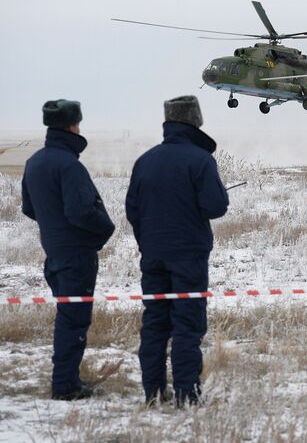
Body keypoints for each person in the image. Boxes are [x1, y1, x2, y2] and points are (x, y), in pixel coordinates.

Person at [125, 96, 229, 406]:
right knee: (187, 325)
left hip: (153, 256)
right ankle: (187, 394)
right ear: (195, 120)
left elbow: (133, 210)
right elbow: (216, 206)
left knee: (155, 324)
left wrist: (148, 243)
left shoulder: (145, 161)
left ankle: (153, 393)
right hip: (189, 257)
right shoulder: (201, 161)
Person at [21, 99, 115, 400]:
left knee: (67, 317)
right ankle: (65, 387)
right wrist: (106, 227)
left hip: (54, 252)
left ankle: (68, 381)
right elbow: (80, 212)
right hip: (76, 256)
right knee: (73, 321)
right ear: (72, 125)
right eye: (78, 123)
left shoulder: (35, 162)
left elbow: (28, 208)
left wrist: (54, 227)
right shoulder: (69, 165)